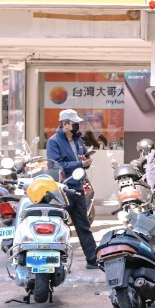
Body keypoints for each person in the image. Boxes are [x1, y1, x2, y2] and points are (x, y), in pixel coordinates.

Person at [47, 109, 98, 269]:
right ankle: (55, 262)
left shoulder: (78, 141)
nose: (77, 125)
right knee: (59, 226)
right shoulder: (54, 141)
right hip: (62, 189)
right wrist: (80, 164)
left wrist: (86, 161)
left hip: (77, 187)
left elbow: (81, 160)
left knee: (83, 225)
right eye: (74, 123)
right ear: (64, 124)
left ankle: (93, 259)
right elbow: (57, 165)